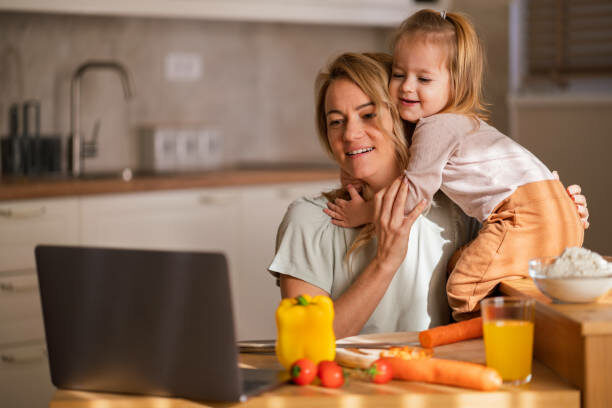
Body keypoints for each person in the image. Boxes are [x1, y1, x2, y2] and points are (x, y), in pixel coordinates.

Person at [321, 10, 586, 320]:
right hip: (557, 212)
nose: (407, 87)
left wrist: (366, 212)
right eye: (398, 73)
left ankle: (471, 346)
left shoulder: (435, 128)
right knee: (467, 264)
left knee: (461, 289)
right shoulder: (465, 125)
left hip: (524, 217)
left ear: (456, 84)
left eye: (423, 79)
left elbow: (413, 195)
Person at [269, 52, 481, 339]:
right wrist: (385, 262)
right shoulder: (308, 220)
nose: (350, 134)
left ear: (402, 117)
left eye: (368, 115)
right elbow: (304, 342)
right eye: (336, 121)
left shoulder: (457, 209)